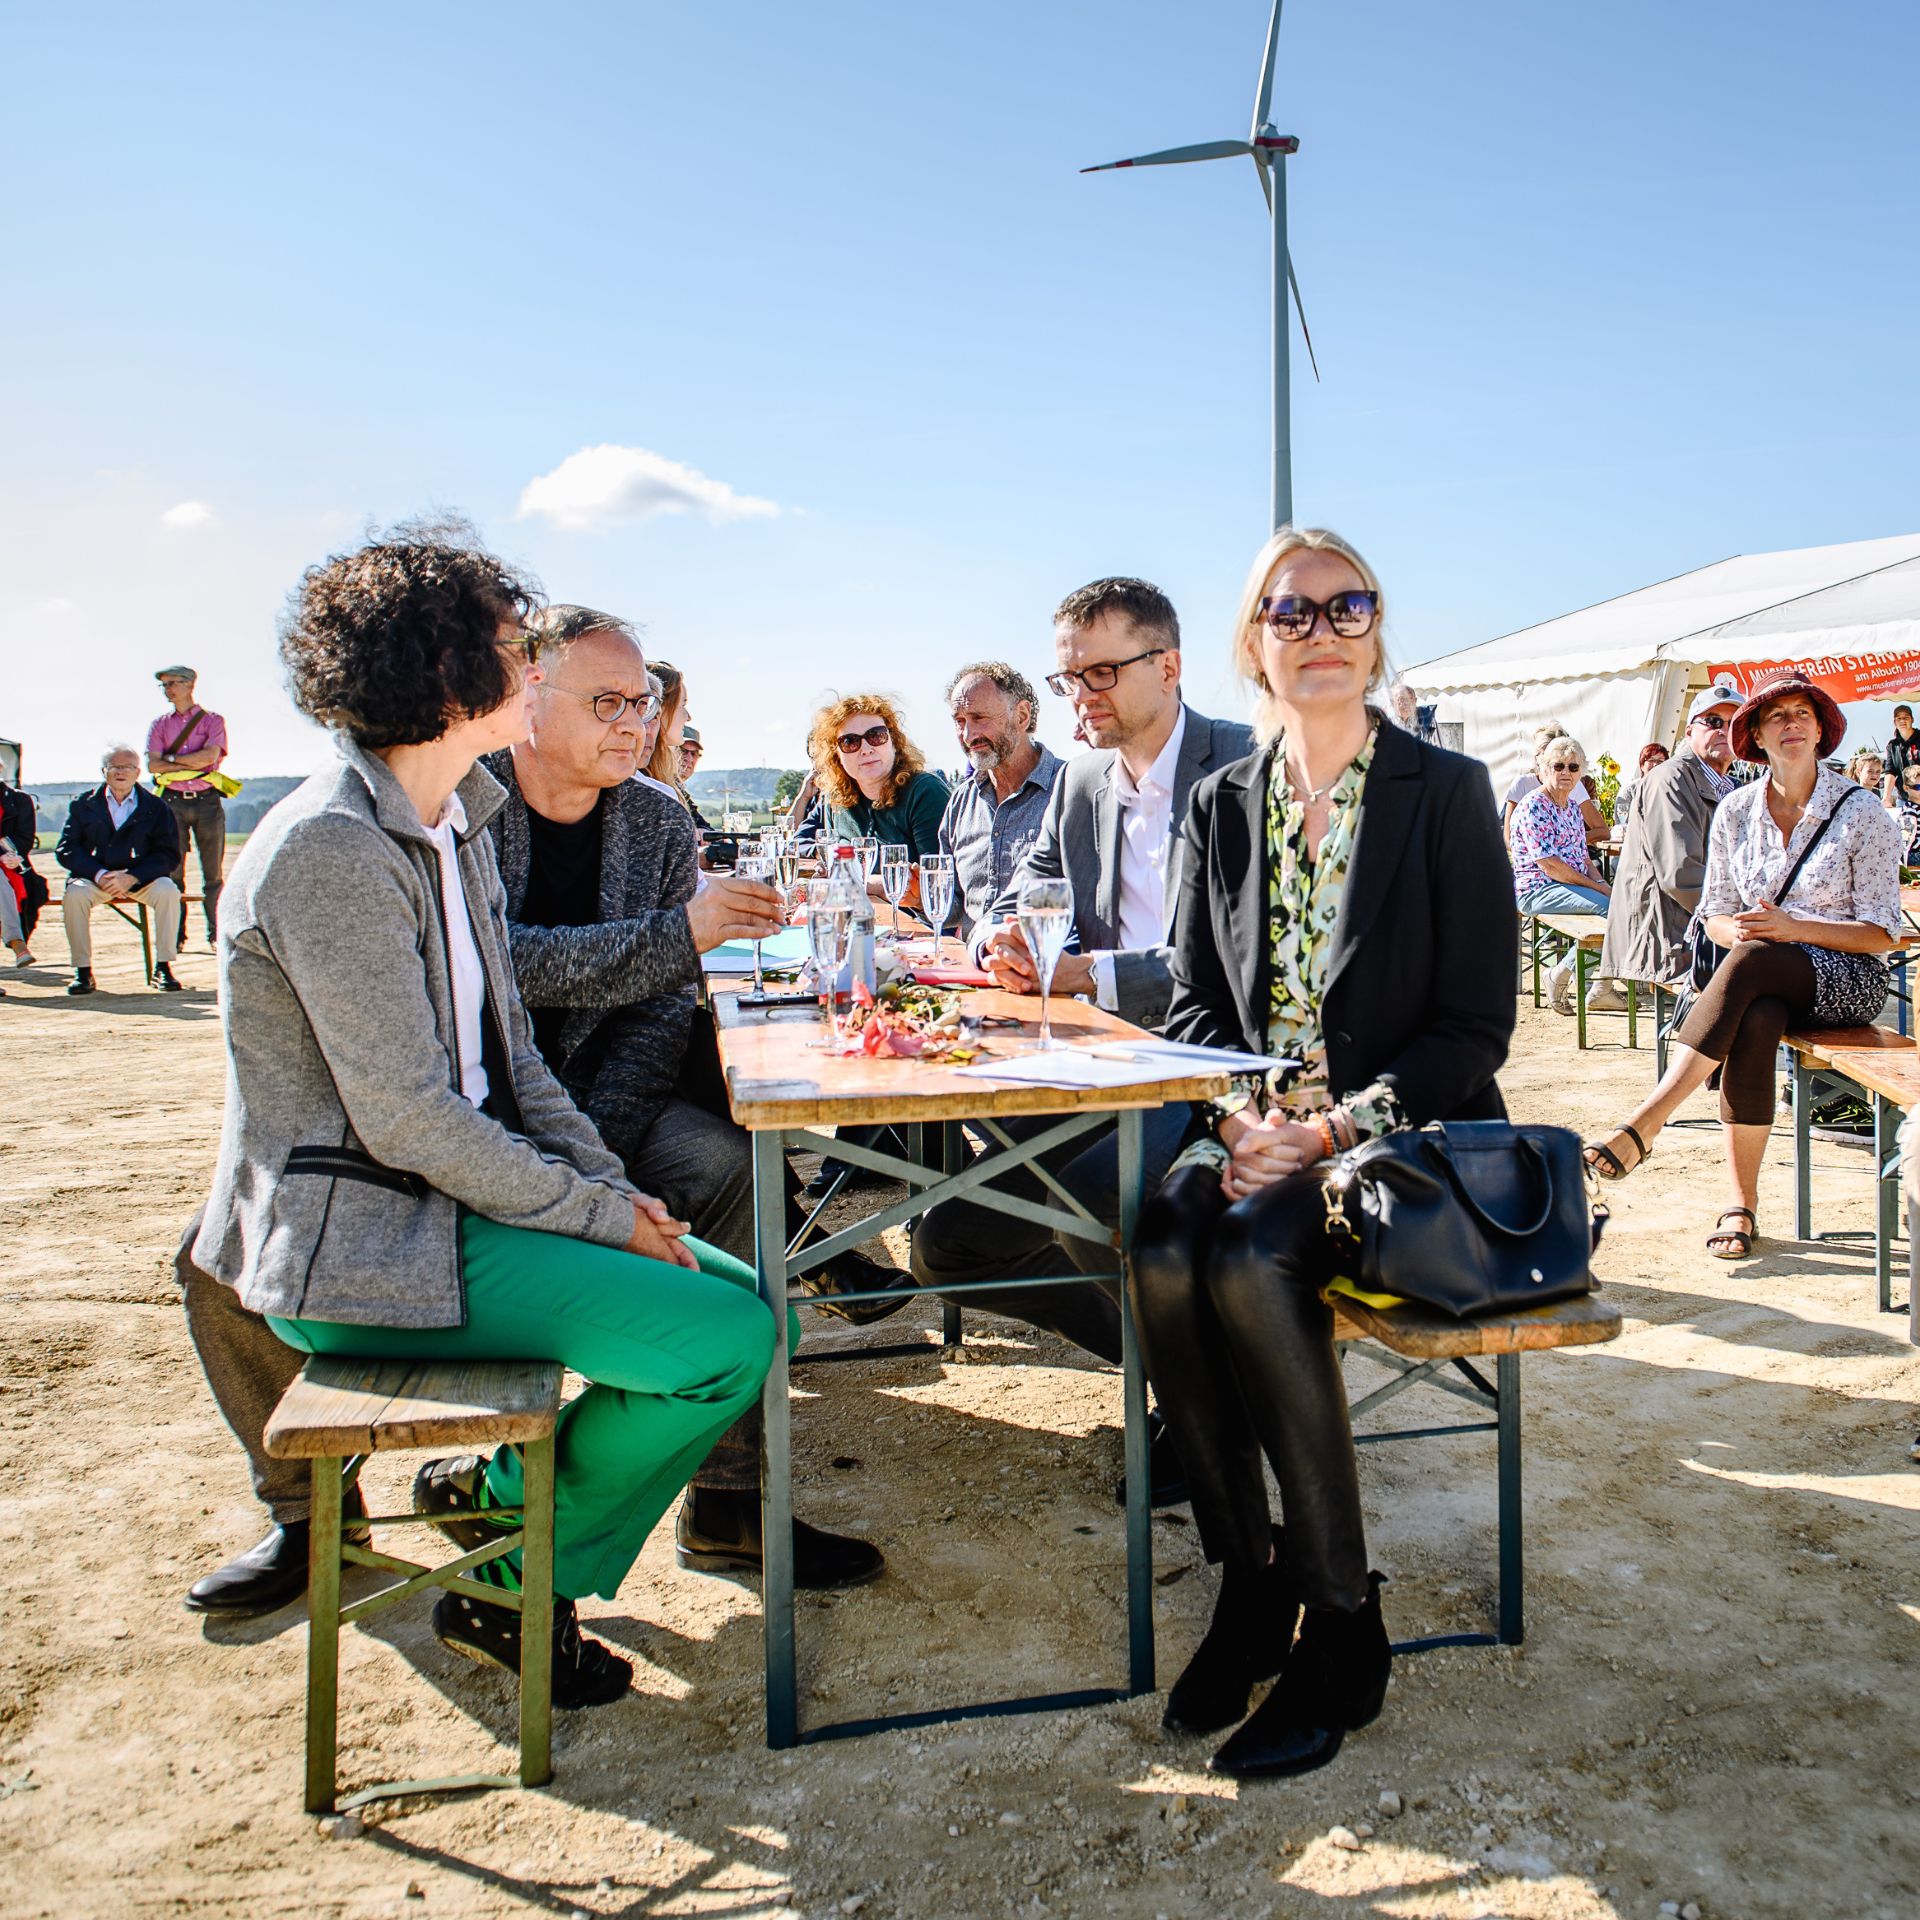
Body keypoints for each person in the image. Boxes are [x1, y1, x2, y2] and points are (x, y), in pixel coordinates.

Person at [188, 522, 776, 1707]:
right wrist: (597, 1221)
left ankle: (497, 1515)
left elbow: (512, 1058)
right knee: (726, 1342)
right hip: (370, 1245)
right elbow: (409, 1118)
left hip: (452, 1208)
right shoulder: (332, 850)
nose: (531, 669)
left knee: (758, 1309)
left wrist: (604, 1191)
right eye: (517, 651)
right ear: (453, 677)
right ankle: (521, 1574)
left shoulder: (441, 826)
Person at [1127, 525, 1516, 1778]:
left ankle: (1345, 1620)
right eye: (1293, 614)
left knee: (1244, 1258)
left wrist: (1333, 1128)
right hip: (1253, 1129)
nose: (1324, 633)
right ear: (1255, 643)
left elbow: (1477, 1022)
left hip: (1403, 1133)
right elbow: (1191, 1006)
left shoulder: (1445, 793)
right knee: (1166, 1240)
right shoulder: (1217, 800)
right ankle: (1252, 1586)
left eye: (1349, 610)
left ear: (1378, 630)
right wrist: (1239, 1125)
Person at [474, 603, 893, 1586]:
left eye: (648, 703)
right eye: (609, 701)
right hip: (481, 1119)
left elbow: (663, 1011)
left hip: (611, 1107)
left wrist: (604, 1155)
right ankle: (515, 1526)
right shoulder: (468, 805)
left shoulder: (657, 819)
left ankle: (733, 1505)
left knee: (731, 1164)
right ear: (530, 692)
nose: (637, 724)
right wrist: (682, 936)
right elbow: (502, 970)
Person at [910, 577, 1253, 1501]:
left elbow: (1236, 960)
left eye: (1102, 672)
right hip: (1094, 1061)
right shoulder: (1086, 779)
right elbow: (1028, 885)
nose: (1082, 696)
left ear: (1170, 666)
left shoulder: (1250, 768)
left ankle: (1205, 1402)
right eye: (1069, 678)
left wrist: (1086, 974)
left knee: (1092, 1193)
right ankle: (1205, 1367)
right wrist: (1001, 943)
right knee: (947, 1244)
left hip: (1219, 1072)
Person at [1585, 673, 1900, 1259]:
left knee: (1756, 961)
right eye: (1775, 715)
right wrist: (1749, 932)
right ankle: (1741, 1204)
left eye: (1802, 713)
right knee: (1757, 1017)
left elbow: (1883, 932)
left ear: (1821, 730)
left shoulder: (1863, 814)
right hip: (1760, 975)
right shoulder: (1734, 811)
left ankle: (1646, 1122)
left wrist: (1790, 930)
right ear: (1754, 734)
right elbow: (1713, 915)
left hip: (1847, 979)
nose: (1791, 724)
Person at [1598, 685, 1740, 996]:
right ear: (1690, 731)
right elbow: (1680, 875)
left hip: (1703, 925)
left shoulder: (1729, 785)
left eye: (1734, 724)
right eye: (1713, 721)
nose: (1724, 731)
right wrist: (1739, 921)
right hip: (1673, 937)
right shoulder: (1671, 779)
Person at [936, 661, 1064, 938]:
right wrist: (917, 897)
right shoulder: (961, 801)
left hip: (1047, 970)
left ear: (1021, 716)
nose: (968, 735)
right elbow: (955, 909)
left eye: (979, 718)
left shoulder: (1070, 790)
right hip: (976, 970)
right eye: (960, 722)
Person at [56, 745, 184, 993]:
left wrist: (132, 877)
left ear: (138, 773)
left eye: (128, 767)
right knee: (75, 895)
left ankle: (164, 967)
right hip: (96, 879)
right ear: (104, 771)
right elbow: (66, 849)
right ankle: (83, 972)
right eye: (115, 766)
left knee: (169, 890)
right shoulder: (83, 805)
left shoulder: (156, 807)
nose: (120, 772)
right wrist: (100, 875)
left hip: (140, 879)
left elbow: (168, 854)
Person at [808, 694, 950, 900]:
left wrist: (862, 881)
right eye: (850, 742)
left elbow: (938, 885)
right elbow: (835, 871)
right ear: (836, 754)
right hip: (860, 919)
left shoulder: (925, 791)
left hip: (917, 926)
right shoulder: (835, 800)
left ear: (894, 741)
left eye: (876, 735)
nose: (866, 749)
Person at [146, 665, 229, 948]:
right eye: (165, 685)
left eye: (172, 683)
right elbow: (152, 764)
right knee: (173, 874)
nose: (168, 689)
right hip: (171, 802)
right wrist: (190, 761)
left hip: (207, 801)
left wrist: (171, 760)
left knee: (213, 875)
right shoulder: (159, 724)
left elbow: (210, 757)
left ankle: (216, 935)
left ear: (190, 684)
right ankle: (176, 936)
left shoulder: (213, 721)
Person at [1502, 723, 1605, 846]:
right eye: (1557, 764)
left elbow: (1602, 830)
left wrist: (1571, 840)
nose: (1565, 771)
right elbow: (1509, 839)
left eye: (1571, 765)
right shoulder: (1525, 790)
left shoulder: (1573, 790)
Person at [0, 770, 42, 966]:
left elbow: (24, 839)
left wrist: (8, 853)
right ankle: (17, 942)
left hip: (13, 865)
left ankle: (17, 941)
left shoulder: (19, 800)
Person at [1612, 741, 1669, 824]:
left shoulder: (1670, 789)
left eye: (1660, 761)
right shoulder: (1630, 790)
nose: (1655, 765)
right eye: (1651, 760)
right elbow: (1621, 822)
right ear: (1642, 765)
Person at [1883, 705, 1920, 803]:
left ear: (1912, 720)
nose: (1902, 721)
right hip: (1903, 799)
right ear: (1894, 722)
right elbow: (1890, 772)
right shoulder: (1892, 745)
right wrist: (1886, 797)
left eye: (1906, 717)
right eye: (1898, 718)